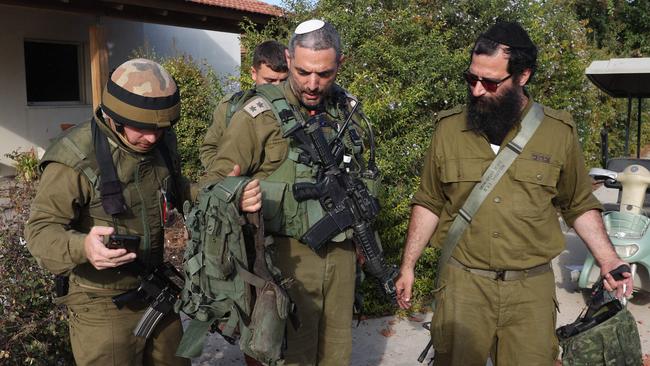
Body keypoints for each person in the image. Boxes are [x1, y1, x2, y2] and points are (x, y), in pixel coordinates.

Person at [394, 21, 633, 366]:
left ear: (522, 77)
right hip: (464, 286)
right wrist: (408, 266)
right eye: (471, 78)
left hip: (530, 292)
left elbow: (577, 203)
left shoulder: (557, 133)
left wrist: (609, 260)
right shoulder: (448, 130)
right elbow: (429, 201)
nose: (477, 90)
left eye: (490, 82)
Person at [202, 20, 376, 365]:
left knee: (336, 353)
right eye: (303, 71)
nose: (312, 84)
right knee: (288, 356)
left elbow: (362, 174)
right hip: (284, 259)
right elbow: (212, 183)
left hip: (340, 255)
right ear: (288, 57)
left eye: (324, 74)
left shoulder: (348, 111)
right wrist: (238, 193)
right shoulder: (258, 115)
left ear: (340, 63)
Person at [25, 58, 191, 366]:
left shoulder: (161, 141)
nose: (152, 138)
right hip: (100, 304)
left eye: (160, 128)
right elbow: (39, 232)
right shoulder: (74, 158)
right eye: (141, 128)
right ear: (113, 116)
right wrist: (83, 246)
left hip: (156, 289)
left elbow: (179, 188)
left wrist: (221, 194)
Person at [199, 40, 288, 171]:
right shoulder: (229, 107)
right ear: (253, 73)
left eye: (283, 81)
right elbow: (209, 149)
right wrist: (226, 178)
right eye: (270, 81)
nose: (277, 87)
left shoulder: (297, 107)